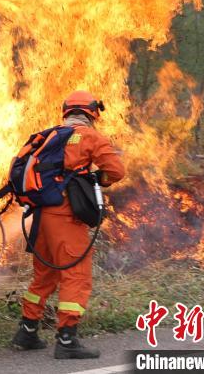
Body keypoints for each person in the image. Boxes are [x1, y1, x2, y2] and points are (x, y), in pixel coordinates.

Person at [11, 90, 125, 359]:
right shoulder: (90, 136)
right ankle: (66, 339)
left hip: (39, 216)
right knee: (76, 274)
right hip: (65, 218)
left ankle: (27, 331)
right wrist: (99, 179)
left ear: (66, 112)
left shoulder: (45, 136)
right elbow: (118, 171)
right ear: (92, 113)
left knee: (45, 275)